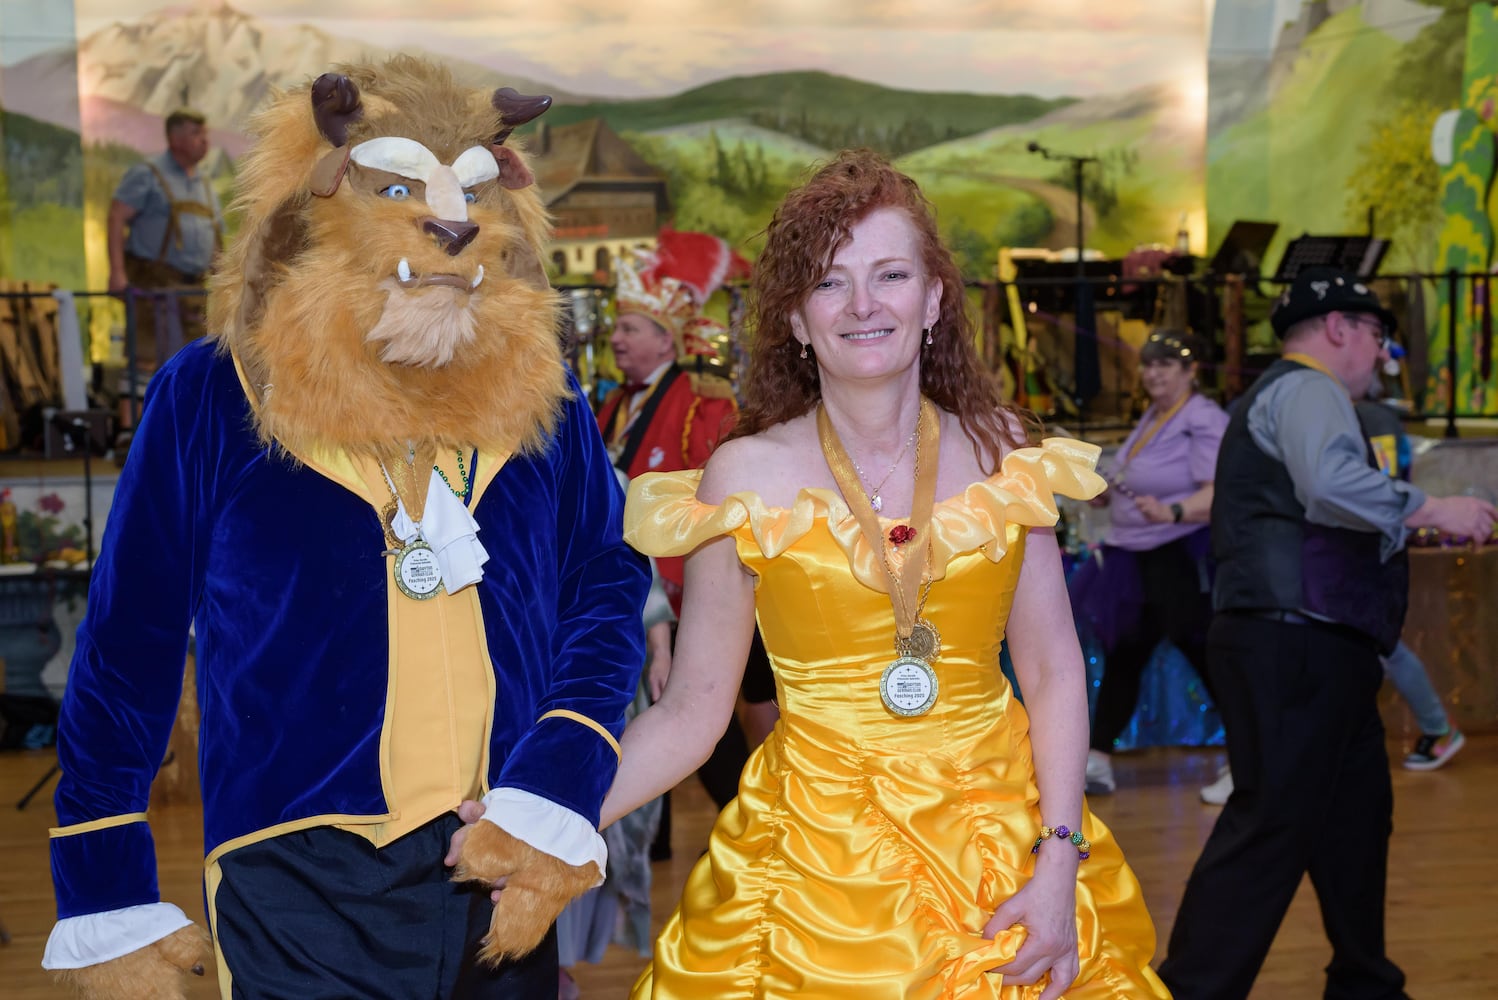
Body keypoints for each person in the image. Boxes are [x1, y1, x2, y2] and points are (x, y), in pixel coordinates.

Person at [45, 59, 649, 999]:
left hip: (500, 844)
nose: (449, 222)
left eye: (470, 194)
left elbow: (606, 584)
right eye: (399, 185)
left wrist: (556, 778)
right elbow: (130, 641)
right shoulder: (209, 397)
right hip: (293, 867)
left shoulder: (545, 400)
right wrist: (101, 880)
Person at [605, 150, 1168, 998]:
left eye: (891, 274)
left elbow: (1053, 670)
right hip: (811, 867)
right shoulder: (743, 476)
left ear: (935, 297)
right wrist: (547, 812)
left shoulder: (1002, 452)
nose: (863, 305)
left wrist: (1059, 862)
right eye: (830, 283)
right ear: (796, 318)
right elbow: (692, 711)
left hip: (1002, 844)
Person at [1158, 267, 1498, 999]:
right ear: (1340, 328)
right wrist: (1434, 505)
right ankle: (1191, 990)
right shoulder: (1309, 388)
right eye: (1378, 335)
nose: (1381, 354)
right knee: (1271, 824)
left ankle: (1366, 984)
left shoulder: (1288, 392)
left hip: (1319, 647)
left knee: (1354, 818)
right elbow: (1331, 484)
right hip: (1295, 644)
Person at [1070, 328, 1226, 796]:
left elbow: (1220, 489)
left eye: (1166, 365)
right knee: (1127, 654)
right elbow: (1133, 475)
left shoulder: (1202, 418)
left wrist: (1175, 510)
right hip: (1137, 554)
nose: (1154, 373)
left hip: (1178, 554)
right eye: (1148, 364)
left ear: (1190, 371)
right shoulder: (1157, 416)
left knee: (1206, 655)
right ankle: (1097, 758)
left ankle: (1251, 761)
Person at [1356, 397, 1465, 770]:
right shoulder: (1370, 415)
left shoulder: (1367, 416)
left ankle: (1437, 725)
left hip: (1367, 546)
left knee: (1384, 645)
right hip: (1370, 543)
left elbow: (1382, 486)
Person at [107, 108, 223, 437]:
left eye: (205, 134)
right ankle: (130, 434)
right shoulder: (147, 174)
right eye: (197, 134)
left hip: (193, 288)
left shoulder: (203, 183)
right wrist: (117, 272)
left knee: (193, 358)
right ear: (176, 139)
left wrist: (227, 279)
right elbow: (116, 216)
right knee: (145, 354)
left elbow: (214, 235)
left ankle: (181, 434)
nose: (205, 142)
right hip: (153, 283)